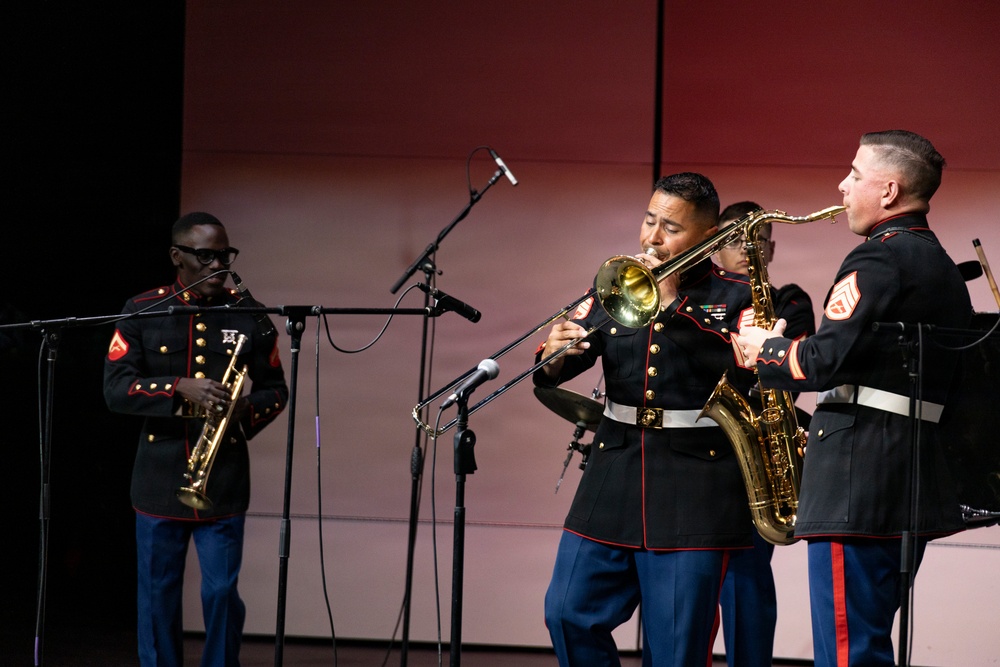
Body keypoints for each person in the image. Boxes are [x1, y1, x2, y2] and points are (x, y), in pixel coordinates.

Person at [739, 130, 971, 666]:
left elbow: (822, 363)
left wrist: (764, 348)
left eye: (855, 174)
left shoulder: (880, 259)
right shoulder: (937, 262)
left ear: (888, 191)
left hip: (858, 478)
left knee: (847, 650)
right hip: (906, 475)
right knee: (866, 644)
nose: (842, 185)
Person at [537, 172, 758, 666]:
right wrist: (553, 356)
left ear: (707, 237)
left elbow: (745, 372)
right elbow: (561, 362)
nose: (652, 238)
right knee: (567, 613)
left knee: (677, 650)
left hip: (696, 488)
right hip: (613, 474)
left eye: (670, 228)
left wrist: (675, 303)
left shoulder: (739, 296)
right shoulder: (620, 283)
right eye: (649, 220)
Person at [104, 212, 289, 666]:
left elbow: (276, 390)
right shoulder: (142, 310)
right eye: (205, 256)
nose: (217, 265)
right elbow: (116, 389)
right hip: (160, 477)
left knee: (222, 592)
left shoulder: (249, 315)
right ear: (177, 256)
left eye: (224, 255)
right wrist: (176, 387)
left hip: (223, 476)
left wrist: (243, 407)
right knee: (158, 596)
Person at [714, 201, 818, 667]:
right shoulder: (696, 300)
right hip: (695, 452)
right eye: (734, 239)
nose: (745, 248)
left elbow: (787, 375)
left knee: (746, 578)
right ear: (714, 246)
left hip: (757, 452)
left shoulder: (790, 301)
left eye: (756, 239)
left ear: (770, 248)